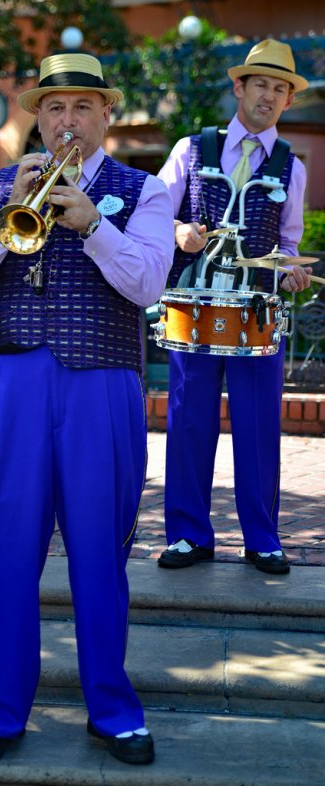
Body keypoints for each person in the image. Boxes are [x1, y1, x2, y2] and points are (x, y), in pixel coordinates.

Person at [0, 53, 174, 765]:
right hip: (9, 380)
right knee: (5, 547)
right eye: (52, 109)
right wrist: (4, 210)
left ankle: (111, 707)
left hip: (100, 384)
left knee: (101, 551)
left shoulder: (146, 191)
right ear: (36, 118)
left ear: (107, 115)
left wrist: (91, 226)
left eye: (80, 108)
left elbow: (147, 284)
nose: (65, 122)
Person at [156, 39, 312, 576]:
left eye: (280, 88)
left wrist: (291, 270)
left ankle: (262, 538)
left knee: (259, 425)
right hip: (195, 305)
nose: (269, 96)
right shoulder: (191, 148)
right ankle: (187, 535)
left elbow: (289, 242)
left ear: (288, 100)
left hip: (257, 312)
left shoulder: (293, 166)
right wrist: (180, 232)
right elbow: (156, 215)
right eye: (260, 84)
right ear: (238, 87)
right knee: (189, 420)